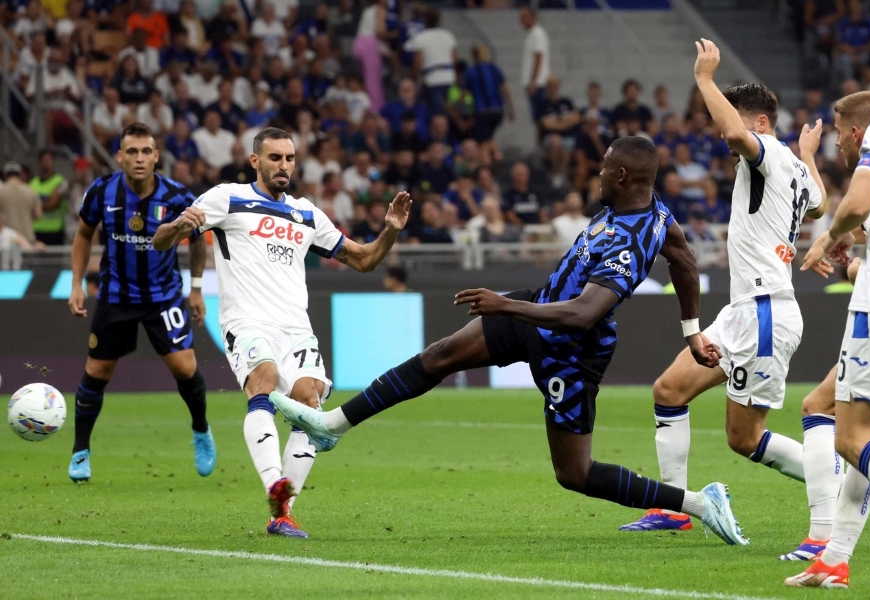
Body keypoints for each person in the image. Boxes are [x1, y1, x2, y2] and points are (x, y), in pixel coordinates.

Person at [268, 136, 749, 546]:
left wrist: (505, 305)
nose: (597, 174)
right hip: (539, 309)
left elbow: (584, 315)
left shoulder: (628, 241)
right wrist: (692, 331)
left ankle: (698, 504)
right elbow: (684, 261)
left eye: (603, 167)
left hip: (571, 351)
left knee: (574, 474)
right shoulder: (655, 214)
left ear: (622, 174)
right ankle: (333, 425)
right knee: (442, 355)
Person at [152, 127, 412, 538]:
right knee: (265, 381)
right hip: (247, 320)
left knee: (310, 402)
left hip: (296, 327)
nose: (284, 166)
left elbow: (363, 260)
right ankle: (274, 481)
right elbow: (161, 241)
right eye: (275, 158)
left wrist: (391, 230)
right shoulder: (227, 197)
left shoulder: (307, 213)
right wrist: (182, 224)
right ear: (255, 160)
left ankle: (283, 512)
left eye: (289, 158)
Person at [619, 39, 829, 539]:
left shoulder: (767, 156)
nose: (721, 130)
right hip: (746, 311)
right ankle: (673, 506)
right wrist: (810, 155)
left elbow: (736, 134)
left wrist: (705, 80)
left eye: (730, 119)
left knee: (743, 437)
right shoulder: (794, 165)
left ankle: (838, 473)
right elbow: (819, 205)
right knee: (669, 390)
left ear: (759, 123)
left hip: (764, 313)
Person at [785, 92, 870, 587]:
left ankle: (833, 550)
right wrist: (857, 248)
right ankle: (835, 555)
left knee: (849, 437)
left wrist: (830, 237)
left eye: (838, 134)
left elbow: (857, 200)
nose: (839, 145)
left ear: (856, 132)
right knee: (866, 438)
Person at [67, 122, 215, 483]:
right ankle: (80, 452)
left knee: (184, 368)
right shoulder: (101, 191)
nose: (138, 158)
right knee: (97, 371)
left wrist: (195, 288)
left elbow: (198, 240)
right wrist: (76, 283)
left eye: (145, 151)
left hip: (163, 296)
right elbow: (84, 234)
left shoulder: (178, 196)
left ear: (155, 156)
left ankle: (201, 431)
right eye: (131, 151)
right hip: (116, 295)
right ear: (120, 156)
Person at [0, 161, 42, 247]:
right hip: (28, 240)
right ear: (20, 174)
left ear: (5, 175)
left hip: (7, 242)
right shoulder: (31, 191)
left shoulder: (1, 191)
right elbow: (38, 215)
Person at [520, 6, 549, 123]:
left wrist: (533, 82)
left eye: (524, 17)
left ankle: (541, 140)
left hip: (538, 83)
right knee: (536, 117)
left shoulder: (537, 34)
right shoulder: (531, 34)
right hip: (535, 83)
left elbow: (538, 58)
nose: (521, 21)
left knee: (540, 117)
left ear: (532, 17)